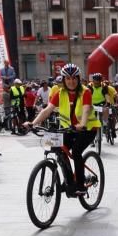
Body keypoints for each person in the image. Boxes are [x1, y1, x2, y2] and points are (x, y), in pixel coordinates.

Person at [23, 62, 96, 196]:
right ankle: (69, 182)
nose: (71, 81)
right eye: (68, 78)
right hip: (68, 129)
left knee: (76, 152)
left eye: (74, 78)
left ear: (78, 79)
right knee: (58, 150)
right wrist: (32, 124)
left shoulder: (85, 92)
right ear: (63, 80)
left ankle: (80, 185)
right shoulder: (60, 93)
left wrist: (82, 124)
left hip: (87, 129)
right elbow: (47, 110)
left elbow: (86, 110)